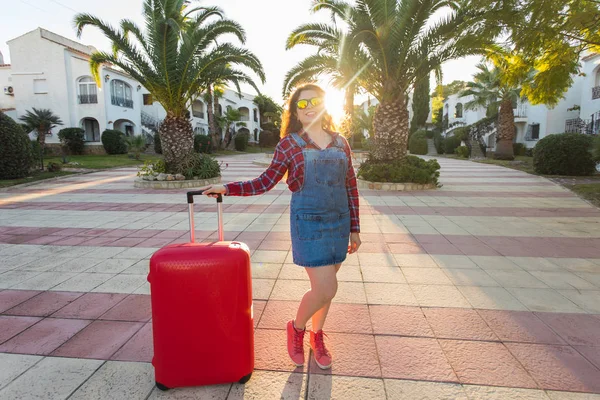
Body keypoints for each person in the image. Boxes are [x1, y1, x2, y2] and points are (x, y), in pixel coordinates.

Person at [198, 84, 361, 370]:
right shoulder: (289, 144)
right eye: (302, 103)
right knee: (326, 288)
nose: (309, 106)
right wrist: (227, 188)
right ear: (295, 111)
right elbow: (264, 182)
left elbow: (351, 186)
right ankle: (297, 328)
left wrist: (355, 228)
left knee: (325, 290)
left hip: (339, 223)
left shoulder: (341, 143)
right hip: (308, 225)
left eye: (315, 101)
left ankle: (317, 335)